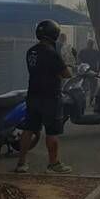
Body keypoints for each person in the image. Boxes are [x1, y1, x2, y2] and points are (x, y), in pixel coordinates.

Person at [15, 20, 72, 174]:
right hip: (50, 97)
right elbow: (66, 74)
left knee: (28, 129)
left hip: (33, 95)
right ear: (54, 34)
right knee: (52, 132)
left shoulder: (31, 51)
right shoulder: (52, 53)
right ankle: (53, 164)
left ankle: (21, 163)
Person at [78, 39, 100, 106]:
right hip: (92, 71)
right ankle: (89, 102)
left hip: (85, 71)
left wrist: (80, 69)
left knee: (85, 87)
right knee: (92, 88)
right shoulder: (96, 52)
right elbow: (99, 62)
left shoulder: (82, 51)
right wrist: (98, 71)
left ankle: (84, 102)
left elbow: (79, 61)